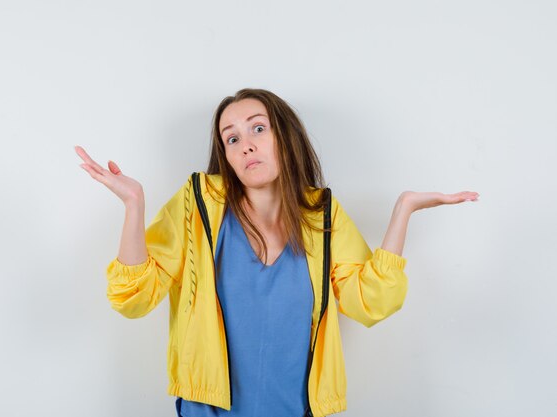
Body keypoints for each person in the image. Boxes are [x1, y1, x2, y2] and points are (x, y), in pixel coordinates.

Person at [75, 88, 479, 417]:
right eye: (232, 138)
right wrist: (134, 205)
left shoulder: (321, 213)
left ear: (285, 137)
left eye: (258, 129)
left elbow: (370, 301)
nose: (245, 145)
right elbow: (133, 298)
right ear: (227, 156)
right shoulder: (198, 204)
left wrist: (403, 209)